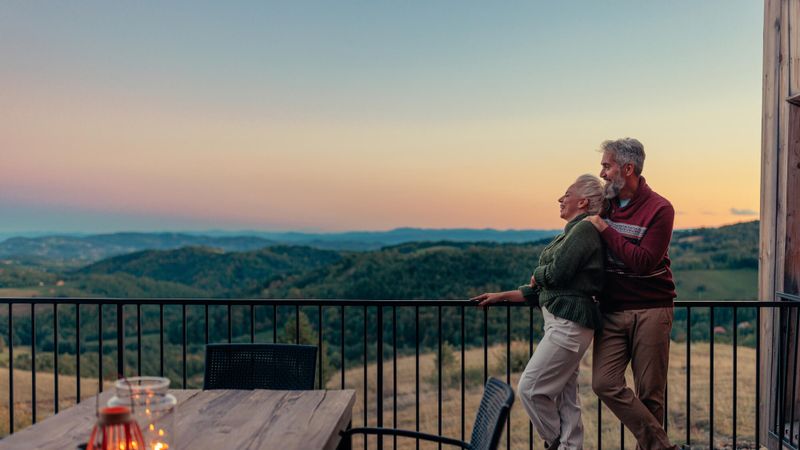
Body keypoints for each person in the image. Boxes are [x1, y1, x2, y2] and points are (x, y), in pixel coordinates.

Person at [471, 174, 606, 450]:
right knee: (567, 398)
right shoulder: (570, 233)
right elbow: (545, 289)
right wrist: (502, 296)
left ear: (582, 201)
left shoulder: (584, 231)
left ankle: (556, 442)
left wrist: (538, 273)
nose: (560, 198)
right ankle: (570, 445)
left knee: (529, 388)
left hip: (568, 325)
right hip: (566, 324)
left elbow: (556, 274)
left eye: (566, 194)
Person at [584, 138, 678, 450]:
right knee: (604, 382)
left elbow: (642, 262)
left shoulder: (660, 209)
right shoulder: (604, 205)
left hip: (652, 308)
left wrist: (604, 229)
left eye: (607, 166)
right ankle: (662, 447)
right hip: (612, 309)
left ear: (628, 168)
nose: (602, 173)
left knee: (650, 393)